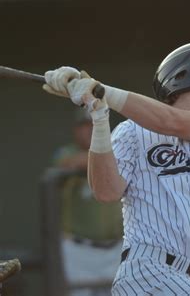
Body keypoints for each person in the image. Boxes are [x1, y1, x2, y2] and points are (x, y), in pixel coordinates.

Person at [42, 42, 190, 295]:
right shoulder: (132, 132)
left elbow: (170, 121)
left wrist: (102, 91)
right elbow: (107, 192)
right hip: (147, 272)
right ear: (184, 74)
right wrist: (99, 118)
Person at [52, 108, 123, 295]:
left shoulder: (116, 150)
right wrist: (104, 157)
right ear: (76, 130)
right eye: (85, 126)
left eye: (94, 125)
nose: (90, 130)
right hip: (80, 249)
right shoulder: (67, 153)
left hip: (115, 247)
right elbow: (67, 163)